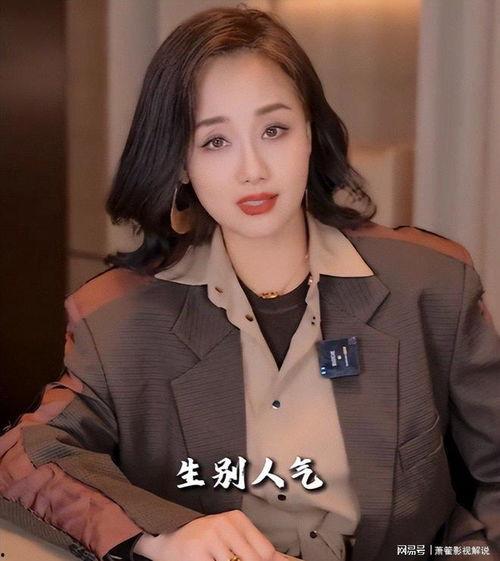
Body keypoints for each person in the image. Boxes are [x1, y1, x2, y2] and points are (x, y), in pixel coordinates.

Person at [1, 5, 499, 561]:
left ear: (311, 134)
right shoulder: (118, 321)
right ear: (180, 162)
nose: (253, 169)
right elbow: (27, 457)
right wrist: (162, 536)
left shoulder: (429, 284)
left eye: (274, 130)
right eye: (215, 141)